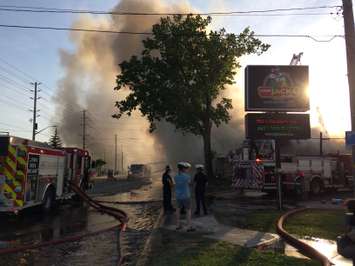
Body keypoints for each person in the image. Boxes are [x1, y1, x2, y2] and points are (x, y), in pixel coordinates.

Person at [174, 162, 195, 232]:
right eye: (186, 168)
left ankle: (177, 225)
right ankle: (189, 226)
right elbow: (190, 184)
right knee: (188, 210)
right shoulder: (187, 177)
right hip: (186, 195)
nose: (187, 170)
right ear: (183, 169)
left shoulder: (175, 177)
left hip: (178, 196)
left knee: (178, 210)